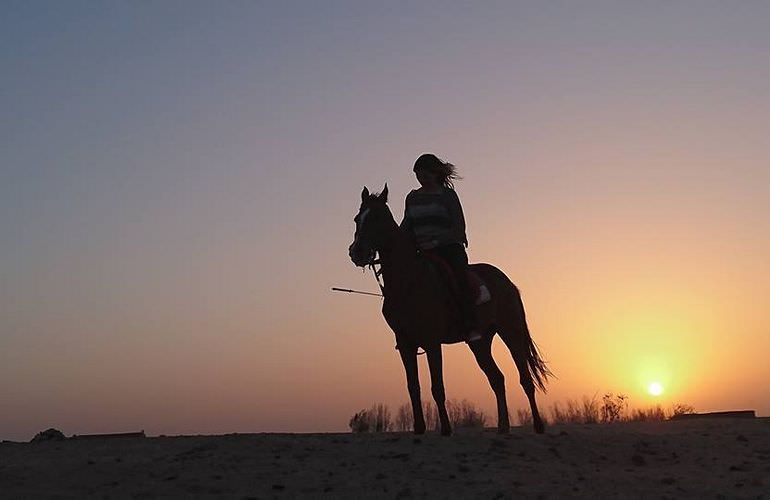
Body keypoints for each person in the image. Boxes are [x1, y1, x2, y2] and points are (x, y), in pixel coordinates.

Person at [400, 153, 481, 342]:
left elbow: (458, 226)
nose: (422, 179)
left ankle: (470, 323)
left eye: (425, 175)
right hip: (421, 251)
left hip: (448, 248)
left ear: (435, 173)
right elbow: (407, 225)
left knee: (460, 278)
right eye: (418, 175)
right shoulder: (412, 198)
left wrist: (436, 242)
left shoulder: (448, 195)